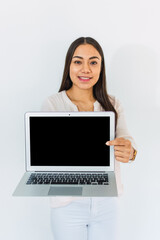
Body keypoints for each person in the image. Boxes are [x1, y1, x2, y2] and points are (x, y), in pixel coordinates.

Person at [42, 37, 137, 240]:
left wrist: (130, 151)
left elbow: (127, 138)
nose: (86, 69)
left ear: (101, 68)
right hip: (67, 204)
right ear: (69, 65)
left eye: (93, 62)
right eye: (78, 62)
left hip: (107, 203)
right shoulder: (52, 104)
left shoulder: (113, 103)